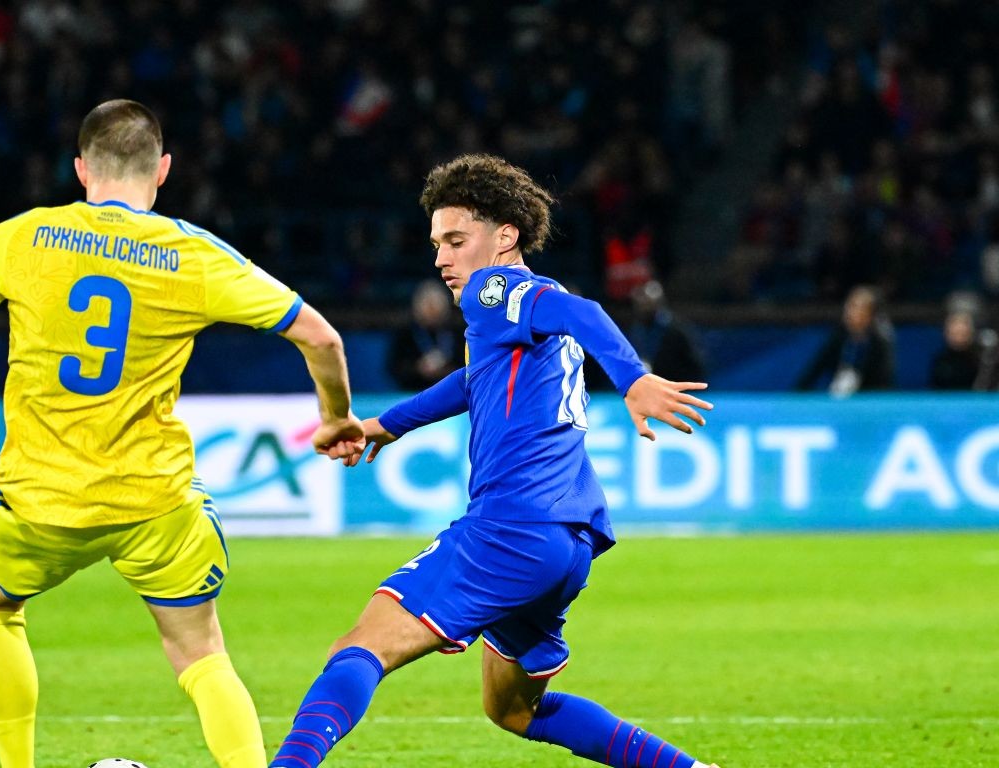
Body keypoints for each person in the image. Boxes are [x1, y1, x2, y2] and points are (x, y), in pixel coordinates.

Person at [0, 100, 365, 768]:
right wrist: (335, 417)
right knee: (201, 652)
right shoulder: (192, 254)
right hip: (154, 501)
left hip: (40, 499)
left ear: (80, 169)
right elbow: (321, 337)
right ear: (162, 169)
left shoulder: (19, 238)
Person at [269, 154, 719, 768]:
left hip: (511, 528)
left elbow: (586, 314)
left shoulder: (493, 288)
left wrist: (633, 379)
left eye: (457, 241)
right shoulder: (526, 309)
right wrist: (384, 425)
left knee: (358, 649)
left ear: (505, 236)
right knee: (514, 710)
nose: (441, 259)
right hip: (567, 542)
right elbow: (472, 381)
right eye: (437, 243)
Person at [796, 285, 895, 395]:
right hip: (840, 400)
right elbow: (813, 371)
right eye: (850, 306)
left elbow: (884, 383)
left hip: (868, 400)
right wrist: (795, 396)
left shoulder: (880, 343)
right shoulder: (838, 338)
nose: (851, 312)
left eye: (859, 307)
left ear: (871, 314)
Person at [386, 278, 462, 390]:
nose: (432, 311)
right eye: (427, 305)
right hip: (414, 391)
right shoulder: (405, 334)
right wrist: (417, 369)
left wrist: (447, 370)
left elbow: (469, 366)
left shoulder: (457, 333)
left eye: (436, 304)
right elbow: (394, 367)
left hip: (452, 392)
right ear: (417, 307)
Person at [628, 279, 706, 383]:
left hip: (676, 384)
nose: (644, 307)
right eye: (640, 304)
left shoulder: (677, 329)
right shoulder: (637, 328)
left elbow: (694, 363)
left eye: (648, 303)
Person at [929, 309, 982, 390]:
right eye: (955, 332)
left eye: (963, 333)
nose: (959, 336)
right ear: (947, 333)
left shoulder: (980, 362)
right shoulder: (940, 362)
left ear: (971, 333)